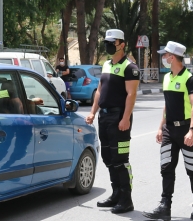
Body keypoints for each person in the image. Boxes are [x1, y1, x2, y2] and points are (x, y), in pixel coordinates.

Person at [142, 41, 193, 221]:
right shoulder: (168, 77)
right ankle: (165, 207)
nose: (163, 57)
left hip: (186, 129)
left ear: (173, 57)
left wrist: (192, 130)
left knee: (192, 169)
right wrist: (161, 127)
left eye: (165, 54)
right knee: (166, 168)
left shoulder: (190, 79)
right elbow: (167, 106)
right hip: (169, 129)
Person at [85, 29, 140, 214]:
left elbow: (131, 95)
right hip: (104, 117)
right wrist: (93, 112)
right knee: (109, 158)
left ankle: (127, 199)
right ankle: (116, 194)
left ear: (122, 44)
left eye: (112, 42)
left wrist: (125, 118)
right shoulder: (106, 65)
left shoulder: (130, 68)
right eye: (107, 42)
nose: (108, 45)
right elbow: (100, 90)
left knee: (120, 160)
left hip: (119, 118)